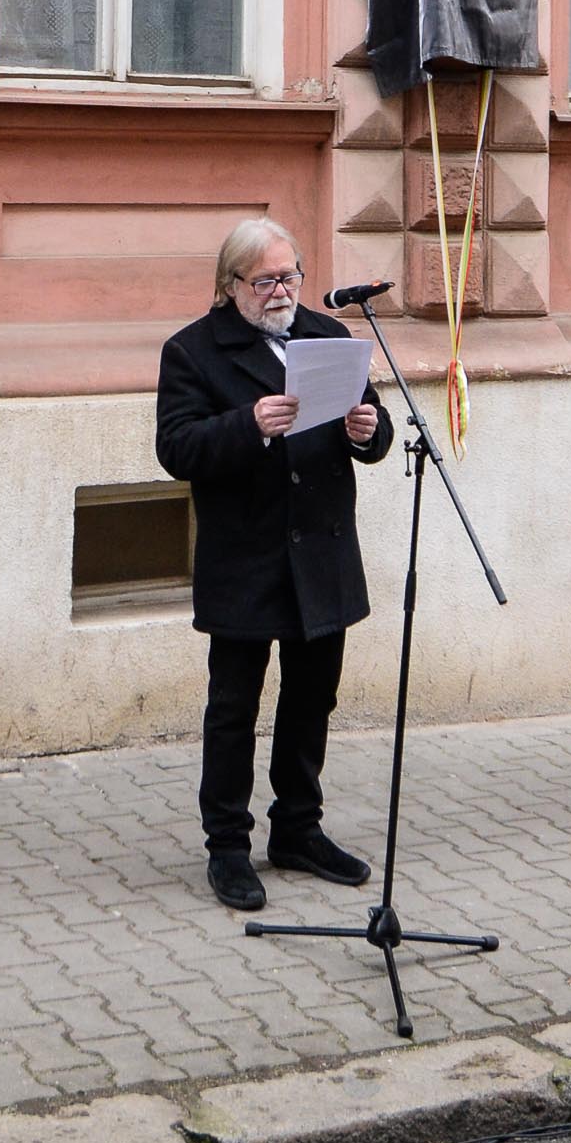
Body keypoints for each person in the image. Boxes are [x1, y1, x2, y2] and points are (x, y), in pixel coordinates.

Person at [156, 218, 394, 912]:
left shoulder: (328, 335)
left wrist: (368, 432)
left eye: (289, 276)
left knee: (311, 697)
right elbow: (175, 450)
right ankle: (227, 845)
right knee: (233, 707)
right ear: (231, 286)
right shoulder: (192, 352)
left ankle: (298, 828)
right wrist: (246, 425)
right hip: (245, 554)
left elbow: (368, 424)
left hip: (319, 548)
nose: (281, 291)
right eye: (264, 281)